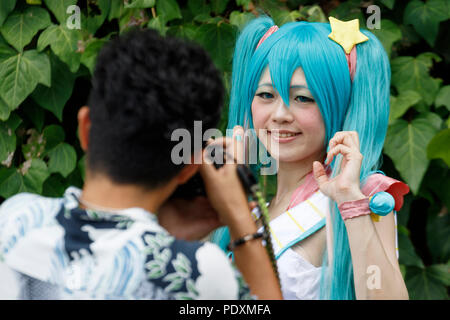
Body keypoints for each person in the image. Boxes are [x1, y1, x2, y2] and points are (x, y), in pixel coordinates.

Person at [0, 29, 282, 300]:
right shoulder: (196, 272)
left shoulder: (15, 219)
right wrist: (240, 220)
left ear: (86, 128)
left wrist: (164, 229)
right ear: (188, 167)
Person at [211, 16, 410, 300]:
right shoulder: (252, 210)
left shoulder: (361, 197)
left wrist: (350, 201)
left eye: (303, 98)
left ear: (336, 107)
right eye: (266, 95)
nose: (279, 114)